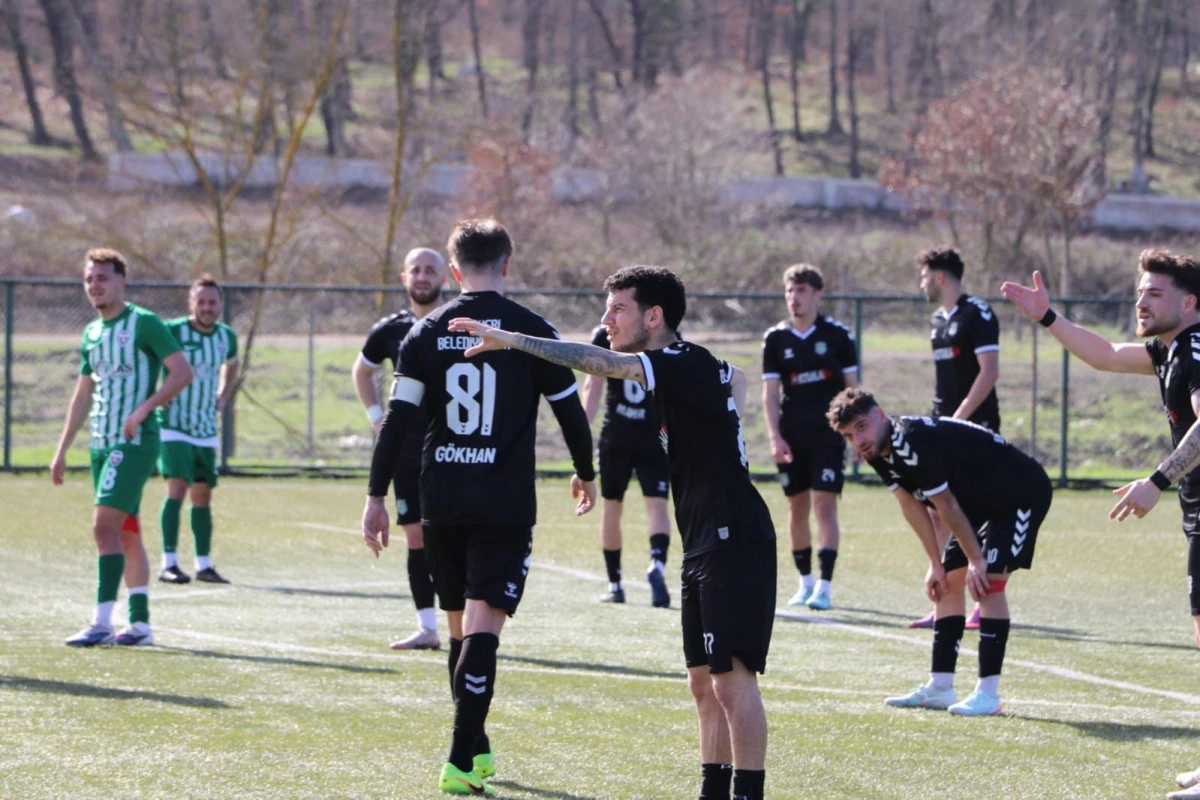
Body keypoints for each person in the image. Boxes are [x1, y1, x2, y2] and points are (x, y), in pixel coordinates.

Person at [449, 265, 776, 800]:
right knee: (702, 682)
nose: (607, 319)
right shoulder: (691, 367)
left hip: (733, 537)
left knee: (732, 680)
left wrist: (511, 339)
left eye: (618, 308)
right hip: (704, 541)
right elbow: (736, 379)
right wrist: (722, 419)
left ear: (654, 316)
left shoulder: (678, 360)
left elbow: (598, 362)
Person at [360, 219, 597, 797]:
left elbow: (397, 423)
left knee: (459, 629)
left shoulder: (425, 331)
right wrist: (586, 471)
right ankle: (459, 759)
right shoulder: (532, 330)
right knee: (483, 628)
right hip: (503, 501)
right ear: (507, 264)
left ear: (454, 269)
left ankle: (478, 747)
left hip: (441, 497)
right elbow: (570, 412)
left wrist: (374, 496)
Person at [1001, 251, 1200, 800]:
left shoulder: (1194, 349)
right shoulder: (1171, 348)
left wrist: (1156, 481)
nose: (1141, 302)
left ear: (1189, 303)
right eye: (1139, 292)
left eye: (1154, 293)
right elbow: (1107, 355)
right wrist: (1047, 317)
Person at [827, 387, 1052, 717]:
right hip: (977, 504)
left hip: (1019, 493)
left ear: (880, 415)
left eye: (861, 427)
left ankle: (988, 695)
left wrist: (976, 560)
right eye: (849, 435)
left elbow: (945, 504)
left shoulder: (910, 440)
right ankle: (940, 687)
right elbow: (911, 505)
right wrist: (935, 562)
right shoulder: (877, 451)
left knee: (988, 582)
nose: (858, 440)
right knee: (946, 582)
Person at [50, 248, 193, 647]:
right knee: (126, 532)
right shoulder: (91, 334)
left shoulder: (144, 323)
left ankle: (101, 623)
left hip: (132, 442)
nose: (95, 285)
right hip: (100, 444)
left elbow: (182, 372)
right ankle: (140, 625)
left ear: (121, 282)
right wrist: (62, 449)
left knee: (103, 527)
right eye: (89, 279)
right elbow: (83, 394)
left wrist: (145, 408)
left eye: (103, 278)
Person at [352, 247, 448, 649]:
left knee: (455, 537)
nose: (422, 276)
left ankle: (468, 625)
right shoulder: (391, 330)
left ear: (445, 277)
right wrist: (378, 418)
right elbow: (362, 371)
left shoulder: (459, 324)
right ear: (404, 278)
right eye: (416, 270)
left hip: (452, 448)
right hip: (408, 452)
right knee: (416, 537)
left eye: (430, 270)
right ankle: (428, 628)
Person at [911, 245, 1000, 630]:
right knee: (938, 511)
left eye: (924, 276)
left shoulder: (977, 313)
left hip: (975, 428)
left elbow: (989, 371)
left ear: (940, 276)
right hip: (941, 428)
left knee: (977, 513)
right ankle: (945, 605)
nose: (921, 284)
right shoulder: (937, 320)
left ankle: (985, 602)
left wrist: (959, 419)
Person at [761, 263, 858, 611]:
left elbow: (853, 390)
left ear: (817, 295)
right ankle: (805, 582)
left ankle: (825, 586)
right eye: (790, 291)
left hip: (828, 436)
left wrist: (857, 435)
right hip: (792, 436)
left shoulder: (838, 335)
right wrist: (775, 437)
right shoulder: (776, 338)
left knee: (825, 505)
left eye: (801, 290)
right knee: (796, 506)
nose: (794, 298)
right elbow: (770, 394)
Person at [580, 325, 672, 607]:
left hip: (616, 434)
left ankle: (615, 584)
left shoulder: (605, 335)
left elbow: (593, 387)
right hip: (653, 435)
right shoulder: (662, 332)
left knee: (611, 507)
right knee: (657, 506)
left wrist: (581, 436)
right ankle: (657, 564)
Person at [156, 275, 239, 586]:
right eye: (200, 302)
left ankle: (203, 565)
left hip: (205, 427)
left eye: (212, 302)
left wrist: (223, 394)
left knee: (202, 494)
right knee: (177, 488)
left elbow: (233, 363)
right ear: (191, 303)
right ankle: (168, 562)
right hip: (174, 424)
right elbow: (150, 357)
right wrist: (158, 393)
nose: (206, 307)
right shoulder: (173, 330)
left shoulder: (226, 336)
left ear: (220, 305)